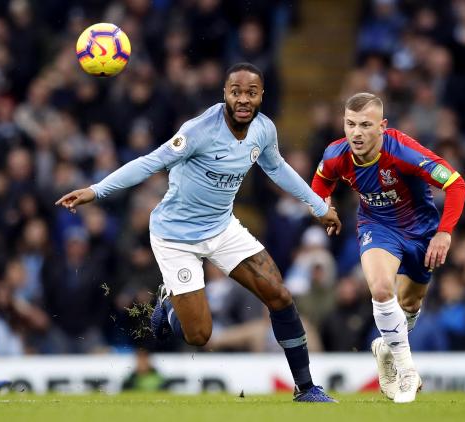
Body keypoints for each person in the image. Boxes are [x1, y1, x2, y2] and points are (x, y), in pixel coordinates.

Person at [55, 63, 340, 403]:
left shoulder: (264, 129)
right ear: (225, 94)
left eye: (251, 92)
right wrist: (96, 190)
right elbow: (150, 162)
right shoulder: (199, 130)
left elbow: (277, 167)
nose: (243, 99)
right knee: (200, 335)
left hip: (222, 227)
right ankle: (168, 303)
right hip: (176, 237)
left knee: (279, 295)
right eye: (236, 92)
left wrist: (318, 206)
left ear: (262, 95)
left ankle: (306, 388)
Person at [311, 92, 465, 403]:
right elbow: (321, 182)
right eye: (350, 124)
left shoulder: (404, 152)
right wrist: (323, 207)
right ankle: (408, 372)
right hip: (376, 227)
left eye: (365, 125)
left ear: (382, 126)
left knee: (409, 306)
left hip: (420, 232)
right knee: (382, 290)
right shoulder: (335, 154)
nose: (356, 133)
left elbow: (456, 184)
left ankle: (385, 348)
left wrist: (444, 233)